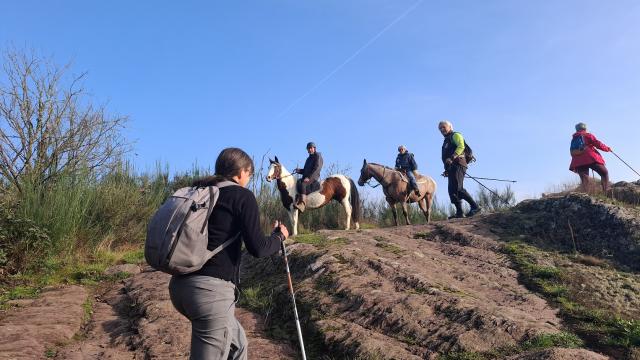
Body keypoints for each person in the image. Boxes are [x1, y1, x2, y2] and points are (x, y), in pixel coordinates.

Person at [168, 147, 289, 360]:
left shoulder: (199, 190)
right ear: (241, 172)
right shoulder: (242, 196)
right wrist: (279, 238)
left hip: (180, 287)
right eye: (249, 175)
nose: (248, 180)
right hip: (210, 293)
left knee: (238, 345)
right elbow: (258, 248)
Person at [439, 120, 481, 218]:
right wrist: (446, 170)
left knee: (458, 188)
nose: (442, 129)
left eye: (443, 127)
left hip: (458, 164)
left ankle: (475, 206)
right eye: (440, 128)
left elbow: (461, 146)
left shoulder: (455, 135)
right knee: (451, 190)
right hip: (451, 167)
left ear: (450, 127)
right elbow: (446, 157)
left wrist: (453, 157)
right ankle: (459, 212)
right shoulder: (446, 140)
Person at [569, 122, 612, 193]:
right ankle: (606, 191)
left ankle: (585, 196)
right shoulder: (587, 135)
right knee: (604, 173)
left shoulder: (574, 139)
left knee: (585, 180)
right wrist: (607, 149)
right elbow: (597, 143)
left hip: (578, 162)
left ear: (576, 129)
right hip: (590, 158)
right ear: (585, 128)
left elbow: (572, 151)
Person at [293, 142, 323, 211]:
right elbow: (305, 170)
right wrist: (299, 170)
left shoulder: (318, 156)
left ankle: (302, 204)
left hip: (313, 177)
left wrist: (309, 177)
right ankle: (298, 199)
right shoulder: (308, 159)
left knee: (303, 184)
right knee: (298, 182)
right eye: (308, 149)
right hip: (306, 177)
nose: (309, 150)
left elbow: (316, 168)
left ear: (314, 148)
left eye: (311, 148)